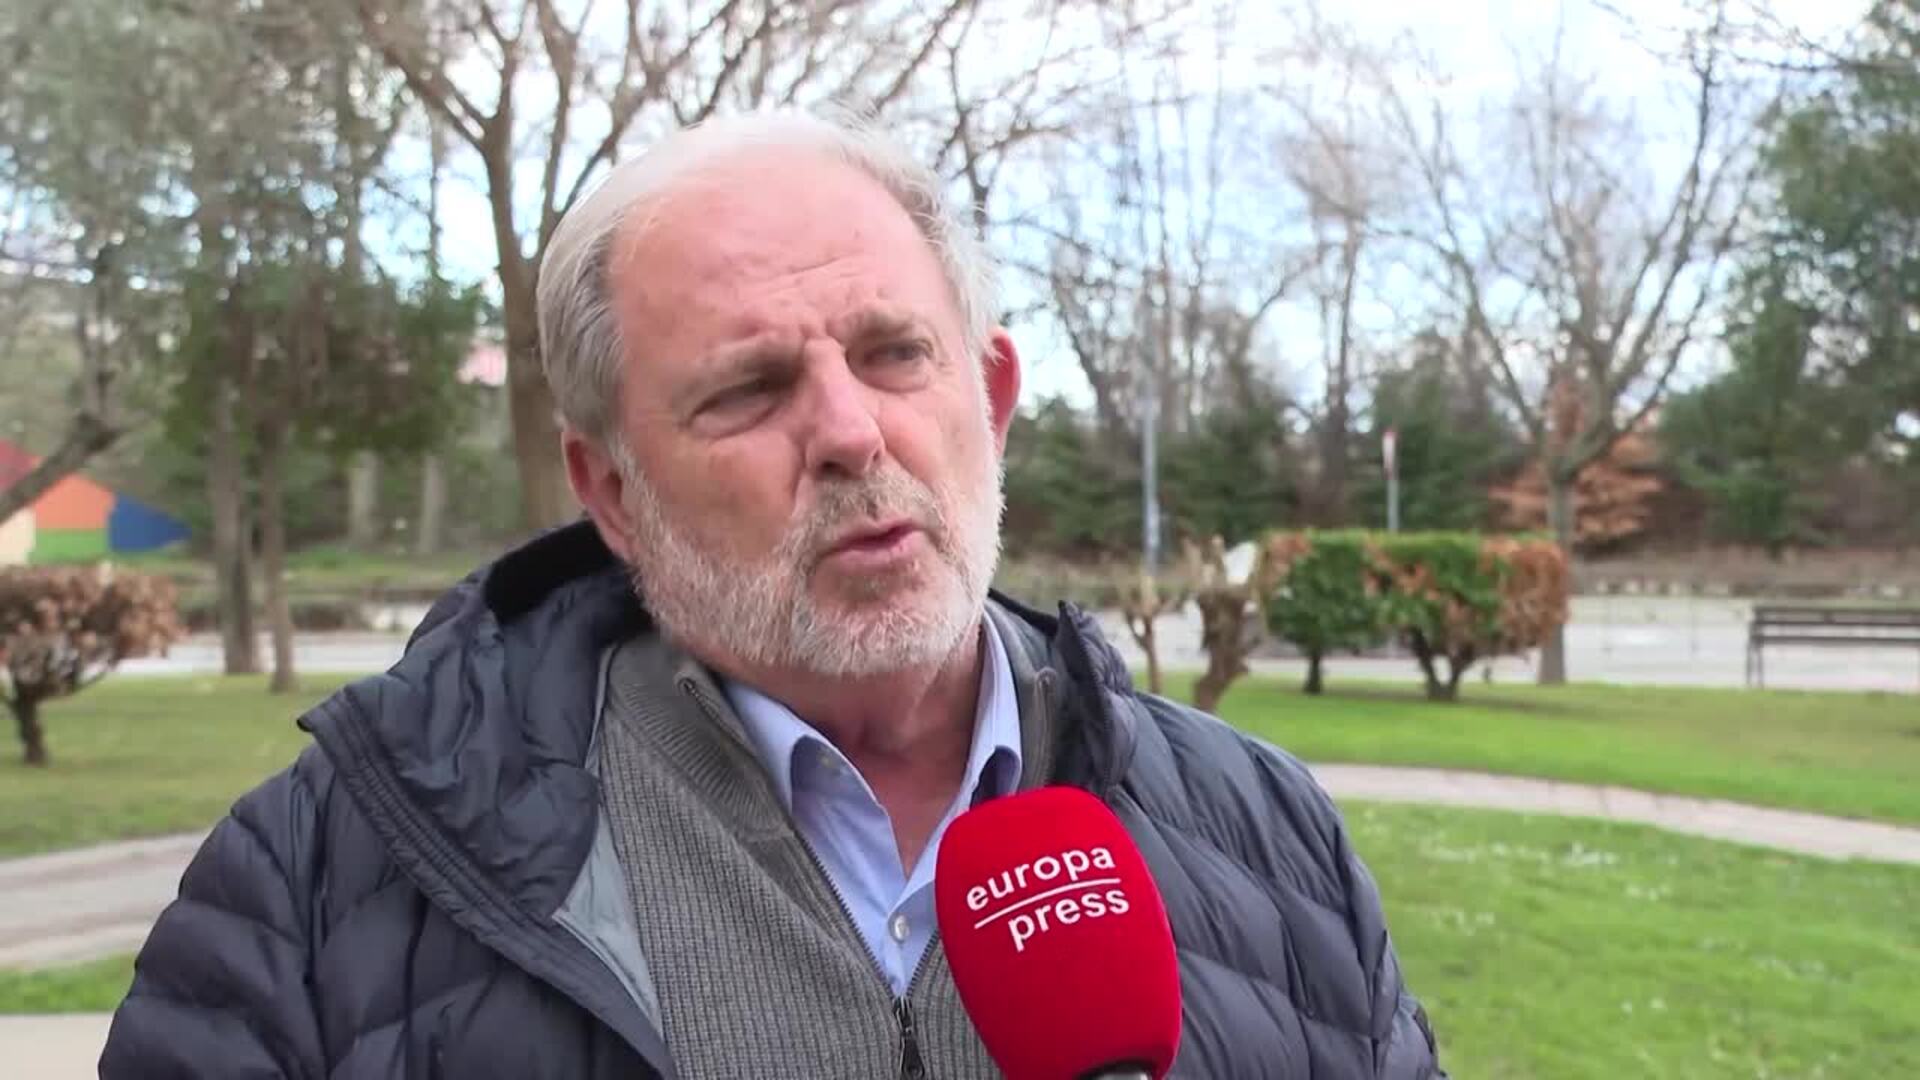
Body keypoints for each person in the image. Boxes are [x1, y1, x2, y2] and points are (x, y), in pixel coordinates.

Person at [101, 110, 1444, 1079]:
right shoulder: (315, 883)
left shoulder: (1270, 837)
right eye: (750, 390)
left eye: (895, 353)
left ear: (990, 399)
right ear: (612, 488)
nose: (853, 433)